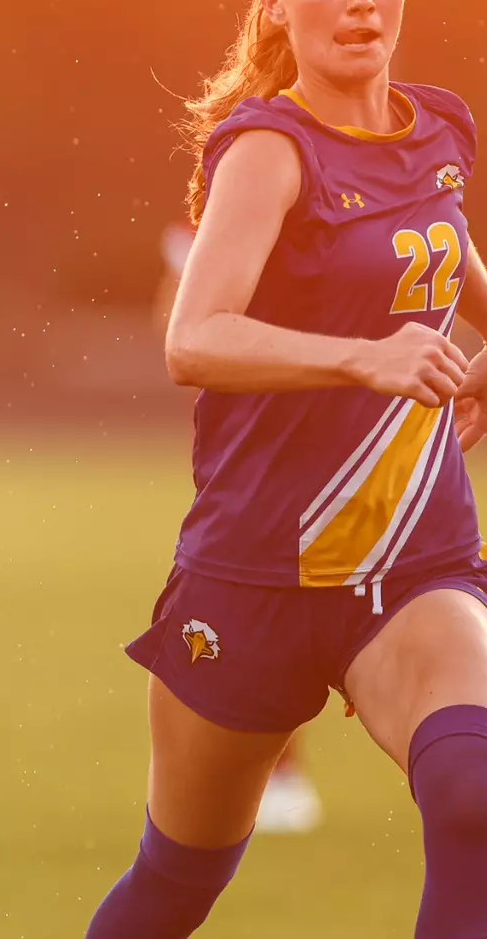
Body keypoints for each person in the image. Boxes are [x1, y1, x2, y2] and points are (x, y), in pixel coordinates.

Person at [88, 0, 487, 938]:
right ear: (276, 1)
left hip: (415, 558)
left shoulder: (440, 128)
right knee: (175, 886)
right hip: (251, 575)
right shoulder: (266, 148)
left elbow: (428, 226)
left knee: (471, 801)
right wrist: (361, 359)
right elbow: (193, 338)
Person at [154, 220, 322, 837]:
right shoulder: (216, 200)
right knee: (265, 598)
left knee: (295, 599)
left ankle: (270, 774)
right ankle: (271, 772)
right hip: (253, 447)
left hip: (337, 429)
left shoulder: (357, 191)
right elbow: (174, 326)